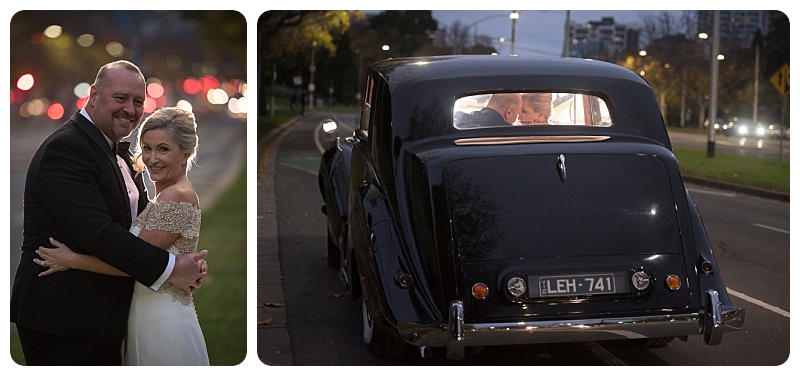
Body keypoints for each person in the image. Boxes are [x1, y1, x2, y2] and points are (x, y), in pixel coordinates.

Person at [10, 60, 207, 366]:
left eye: (138, 101)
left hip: (105, 318)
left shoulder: (117, 153)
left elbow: (140, 229)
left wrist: (181, 259)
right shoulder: (67, 148)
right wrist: (171, 268)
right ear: (94, 94)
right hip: (65, 317)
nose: (130, 109)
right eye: (120, 98)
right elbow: (100, 234)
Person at [455, 93, 523, 128]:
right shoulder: (509, 134)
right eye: (517, 114)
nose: (518, 119)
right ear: (509, 112)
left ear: (489, 103)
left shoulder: (458, 119)